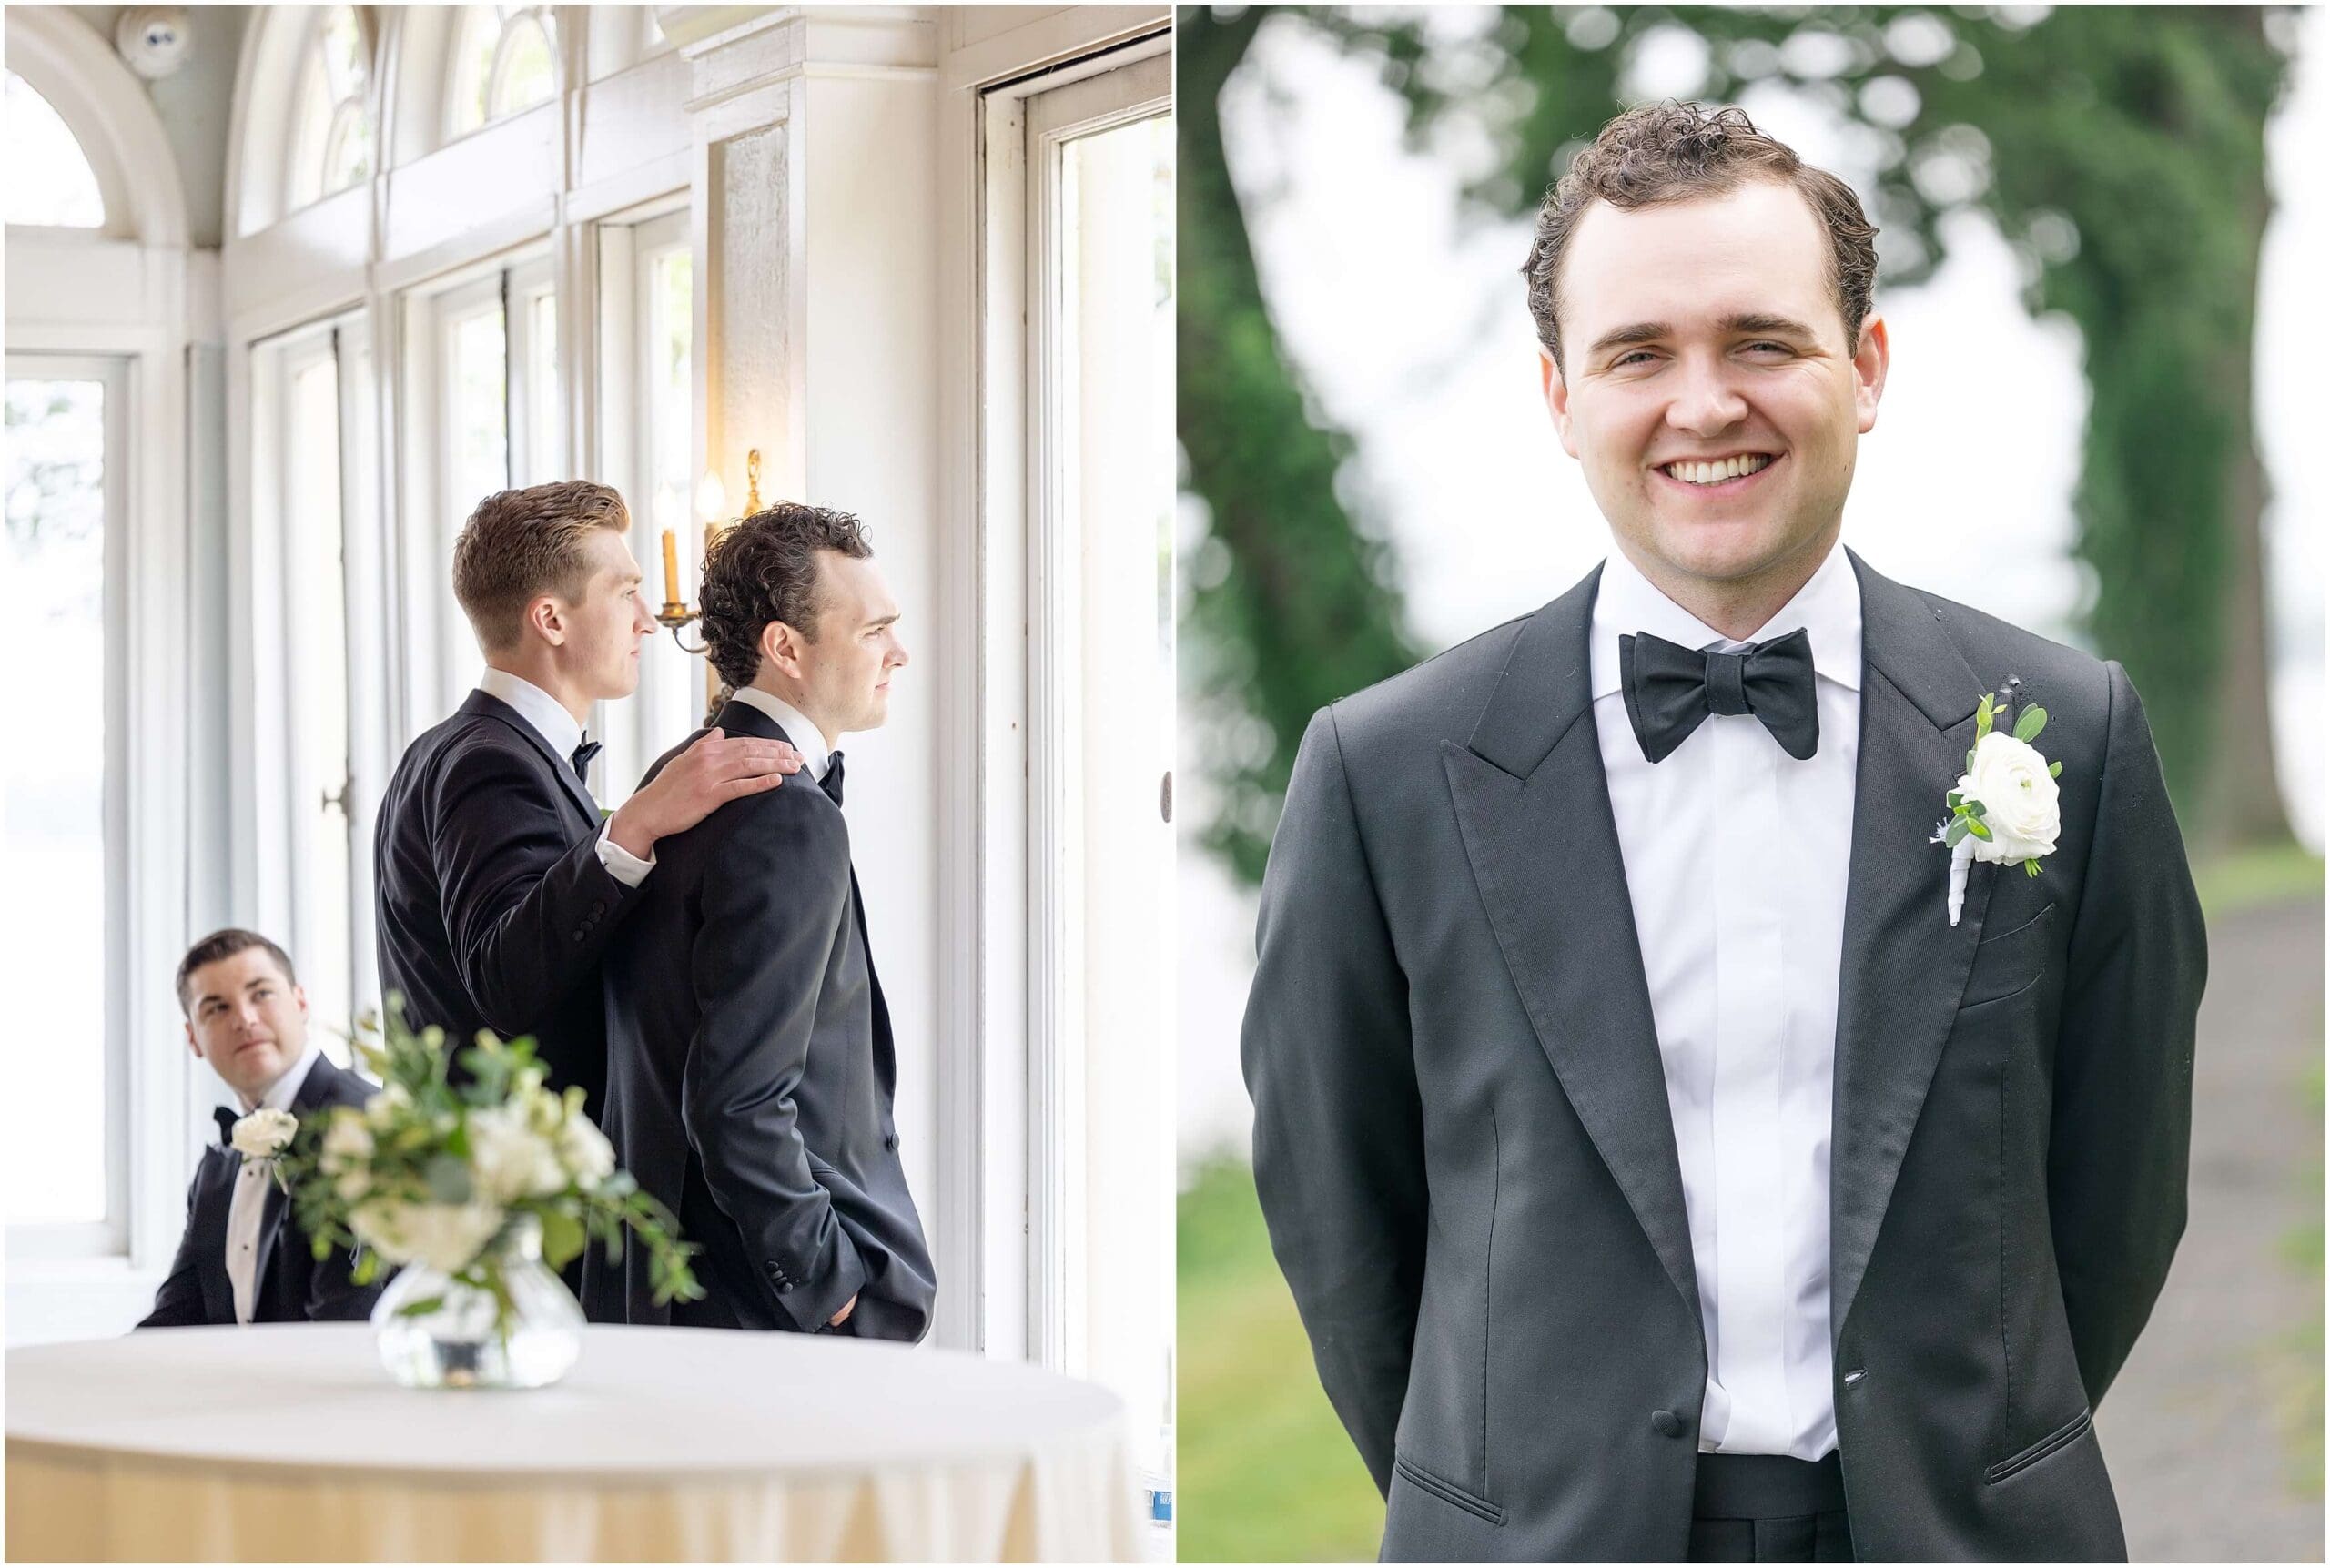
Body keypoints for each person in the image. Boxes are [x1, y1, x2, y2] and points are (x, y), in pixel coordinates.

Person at [1241, 102, 2205, 1563]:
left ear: (1864, 369)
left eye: (1762, 340)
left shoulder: (2071, 733)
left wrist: (1971, 1454)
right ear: (1561, 398)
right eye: (1640, 353)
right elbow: (1341, 1228)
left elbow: (2120, 1193)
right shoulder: (1382, 773)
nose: (1705, 404)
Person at [588, 501, 935, 1343]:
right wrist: (828, 1283)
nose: (899, 652)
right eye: (875, 630)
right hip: (760, 1311)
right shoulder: (786, 815)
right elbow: (737, 1099)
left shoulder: (683, 770)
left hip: (667, 1284)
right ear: (786, 647)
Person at [375, 481, 801, 1128]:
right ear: (551, 619)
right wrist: (637, 824)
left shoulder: (450, 748)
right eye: (626, 591)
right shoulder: (488, 762)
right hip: (507, 1204)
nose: (649, 619)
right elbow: (503, 981)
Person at [139, 930, 383, 1328]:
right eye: (216, 1008)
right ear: (193, 1038)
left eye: (261, 994)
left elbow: (345, 1320)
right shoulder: (216, 1171)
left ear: (300, 1002)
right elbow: (175, 1320)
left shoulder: (366, 1124)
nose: (245, 1019)